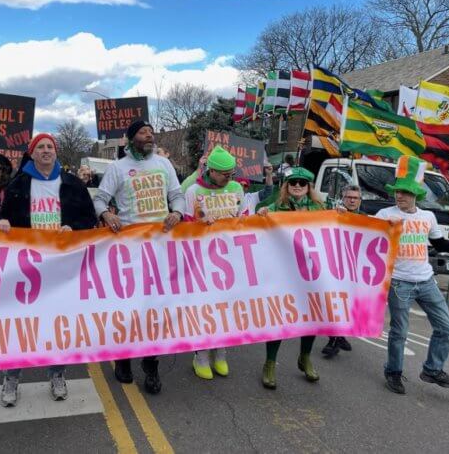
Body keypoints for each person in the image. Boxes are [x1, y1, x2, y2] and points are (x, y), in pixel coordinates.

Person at [0, 133, 97, 406]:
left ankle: (57, 375)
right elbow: (3, 218)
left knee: (57, 325)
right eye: (40, 147)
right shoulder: (19, 183)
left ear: (56, 151)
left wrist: (72, 229)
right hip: (26, 267)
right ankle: (12, 378)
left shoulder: (72, 184)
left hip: (60, 268)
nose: (45, 151)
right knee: (21, 325)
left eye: (49, 147)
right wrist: (3, 222)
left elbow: (89, 220)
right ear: (32, 153)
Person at [375, 156, 449, 395]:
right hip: (399, 283)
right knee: (399, 331)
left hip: (426, 281)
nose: (399, 196)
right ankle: (393, 371)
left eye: (404, 192)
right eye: (397, 192)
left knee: (445, 327)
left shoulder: (428, 217)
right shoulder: (385, 215)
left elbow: (441, 244)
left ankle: (433, 369)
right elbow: (360, 235)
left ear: (416, 194)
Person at [94, 120, 185, 394]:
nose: (150, 135)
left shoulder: (163, 164)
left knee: (154, 306)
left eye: (151, 132)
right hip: (129, 248)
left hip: (159, 247)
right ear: (131, 138)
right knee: (128, 305)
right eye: (144, 132)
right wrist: (107, 214)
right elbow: (99, 199)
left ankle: (151, 362)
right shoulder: (117, 168)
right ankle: (123, 357)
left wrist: (177, 212)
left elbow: (177, 195)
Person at [257, 167, 323, 389]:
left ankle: (305, 357)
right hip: (283, 272)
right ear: (286, 186)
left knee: (312, 315)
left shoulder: (320, 209)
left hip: (310, 272)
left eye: (301, 183)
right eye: (293, 182)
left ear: (308, 187)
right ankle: (270, 363)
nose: (297, 186)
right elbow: (259, 229)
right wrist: (262, 216)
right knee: (279, 316)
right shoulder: (276, 208)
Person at [183, 146, 243, 379]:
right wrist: (200, 222)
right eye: (224, 174)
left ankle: (221, 352)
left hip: (229, 258)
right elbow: (185, 226)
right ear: (212, 171)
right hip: (202, 258)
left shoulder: (237, 188)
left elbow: (243, 218)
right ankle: (201, 355)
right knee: (205, 308)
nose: (229, 178)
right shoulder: (194, 191)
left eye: (231, 173)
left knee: (226, 307)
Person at [322, 185, 362, 358]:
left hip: (354, 271)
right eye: (349, 197)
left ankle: (340, 336)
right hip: (335, 268)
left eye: (356, 197)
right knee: (334, 305)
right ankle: (333, 340)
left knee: (349, 305)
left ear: (360, 201)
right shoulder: (334, 215)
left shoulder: (366, 220)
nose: (352, 200)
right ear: (343, 198)